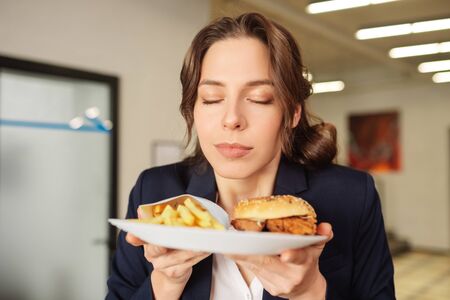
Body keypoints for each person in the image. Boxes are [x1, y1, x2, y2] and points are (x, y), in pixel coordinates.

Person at [106, 12, 395, 300]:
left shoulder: (352, 197)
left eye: (259, 99)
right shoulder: (155, 192)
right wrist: (165, 285)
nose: (232, 119)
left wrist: (311, 293)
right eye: (212, 99)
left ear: (293, 113)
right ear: (192, 108)